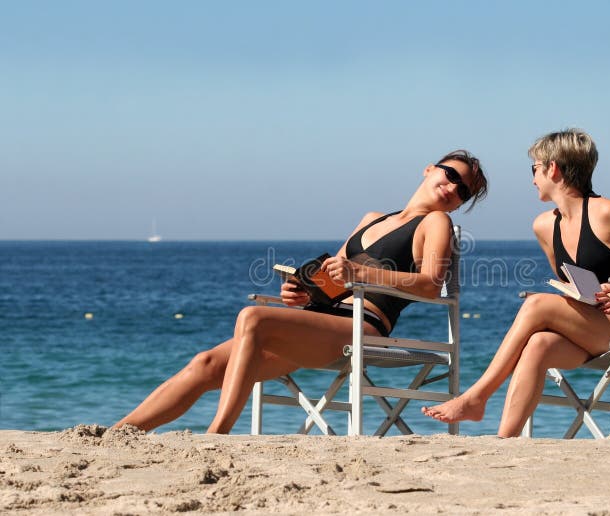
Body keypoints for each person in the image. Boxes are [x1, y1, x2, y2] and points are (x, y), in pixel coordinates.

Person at [114, 150, 488, 433]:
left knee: (253, 317)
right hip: (322, 320)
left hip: (365, 327)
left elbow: (429, 285)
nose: (454, 187)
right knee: (205, 363)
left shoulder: (436, 222)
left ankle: (219, 433)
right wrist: (306, 294)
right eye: (451, 174)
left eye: (464, 190)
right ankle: (119, 433)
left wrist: (358, 273)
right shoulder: (373, 219)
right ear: (429, 169)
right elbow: (333, 282)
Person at [422, 129, 610, 437]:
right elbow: (571, 282)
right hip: (599, 327)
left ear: (552, 168)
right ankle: (506, 439)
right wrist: (570, 296)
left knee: (537, 304)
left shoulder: (607, 213)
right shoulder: (544, 226)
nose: (532, 179)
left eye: (535, 169)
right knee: (538, 344)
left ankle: (477, 396)